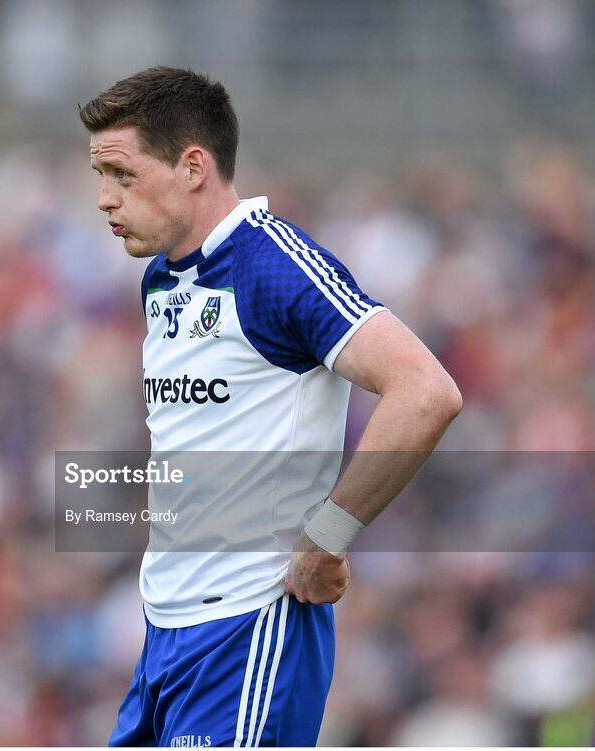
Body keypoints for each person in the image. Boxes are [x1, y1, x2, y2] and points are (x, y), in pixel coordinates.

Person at [79, 66, 463, 747]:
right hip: (167, 633)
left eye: (122, 174)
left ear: (193, 165)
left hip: (251, 627)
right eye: (101, 176)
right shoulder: (161, 279)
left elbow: (426, 391)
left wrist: (327, 537)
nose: (105, 199)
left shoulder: (274, 264)